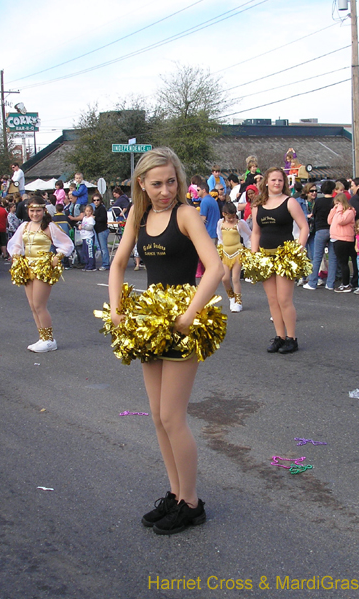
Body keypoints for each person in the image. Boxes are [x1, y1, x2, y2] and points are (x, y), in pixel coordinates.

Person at [107, 147, 222, 534]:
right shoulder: (138, 217)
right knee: (157, 416)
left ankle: (191, 502)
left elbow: (215, 268)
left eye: (171, 181)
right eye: (156, 183)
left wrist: (189, 314)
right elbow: (118, 262)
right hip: (150, 320)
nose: (165, 190)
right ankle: (175, 494)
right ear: (141, 183)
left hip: (183, 321)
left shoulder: (185, 214)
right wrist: (117, 307)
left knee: (173, 416)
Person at [252, 167, 309, 353]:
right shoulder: (257, 205)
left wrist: (297, 251)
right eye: (274, 180)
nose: (277, 183)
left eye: (280, 180)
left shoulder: (290, 202)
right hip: (265, 256)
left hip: (285, 256)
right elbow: (255, 232)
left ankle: (292, 338)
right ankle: (280, 336)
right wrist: (254, 255)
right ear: (266, 182)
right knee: (273, 300)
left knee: (284, 299)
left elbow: (304, 228)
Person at [7, 196, 74, 352]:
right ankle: (42, 337)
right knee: (32, 305)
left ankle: (49, 340)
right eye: (32, 211)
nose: (35, 214)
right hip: (26, 267)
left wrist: (58, 256)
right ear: (27, 211)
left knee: (39, 305)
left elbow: (66, 243)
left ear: (44, 211)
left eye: (38, 211)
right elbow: (15, 244)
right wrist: (16, 256)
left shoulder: (50, 227)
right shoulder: (24, 226)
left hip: (42, 268)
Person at [216, 202, 251, 312]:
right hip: (225, 253)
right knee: (225, 278)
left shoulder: (240, 224)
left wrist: (250, 250)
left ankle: (238, 302)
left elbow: (248, 236)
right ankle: (231, 298)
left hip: (237, 253)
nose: (231, 219)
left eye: (233, 217)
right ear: (223, 214)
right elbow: (220, 237)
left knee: (235, 278)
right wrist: (219, 250)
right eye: (229, 217)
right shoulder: (220, 223)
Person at [303, 180, 334, 290]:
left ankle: (312, 282)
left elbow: (314, 215)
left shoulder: (319, 202)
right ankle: (330, 284)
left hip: (320, 230)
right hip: (333, 230)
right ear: (333, 189)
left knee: (317, 257)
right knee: (332, 257)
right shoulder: (335, 201)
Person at [328, 192, 356, 293]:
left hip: (344, 239)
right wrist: (333, 210)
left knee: (343, 262)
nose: (336, 206)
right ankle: (344, 283)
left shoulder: (349, 212)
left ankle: (346, 284)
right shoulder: (337, 211)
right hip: (336, 238)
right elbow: (329, 221)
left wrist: (339, 209)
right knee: (341, 262)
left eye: (337, 203)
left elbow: (341, 221)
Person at [91, 192, 110, 271]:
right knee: (102, 248)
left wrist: (95, 218)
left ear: (100, 200)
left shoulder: (102, 208)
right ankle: (105, 263)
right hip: (98, 231)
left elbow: (103, 219)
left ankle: (106, 264)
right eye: (94, 200)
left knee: (103, 248)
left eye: (97, 200)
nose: (96, 202)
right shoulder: (96, 208)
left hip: (102, 230)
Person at [77, 204, 97, 272]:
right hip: (84, 237)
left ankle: (91, 265)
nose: (88, 212)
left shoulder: (91, 219)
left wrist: (82, 227)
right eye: (87, 211)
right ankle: (87, 264)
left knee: (90, 252)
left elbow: (90, 227)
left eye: (89, 211)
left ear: (91, 212)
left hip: (89, 237)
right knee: (85, 251)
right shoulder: (84, 218)